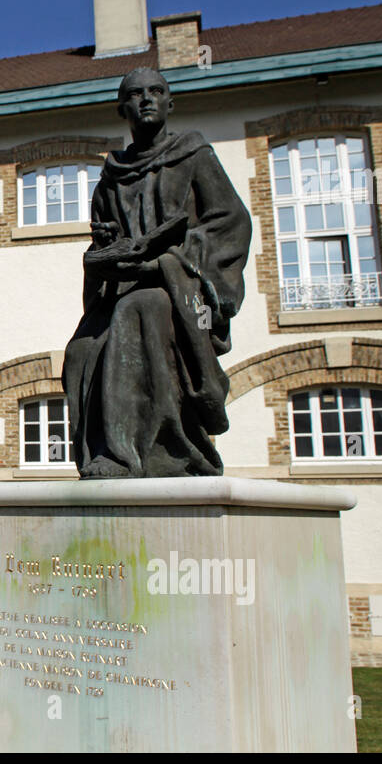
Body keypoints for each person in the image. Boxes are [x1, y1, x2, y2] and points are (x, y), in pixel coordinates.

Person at [61, 68, 252, 478]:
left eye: (156, 92)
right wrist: (105, 253)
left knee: (141, 309)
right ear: (122, 108)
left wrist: (169, 261)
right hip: (123, 284)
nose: (146, 99)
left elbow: (229, 222)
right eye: (135, 94)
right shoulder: (110, 178)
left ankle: (143, 452)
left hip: (178, 287)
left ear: (170, 102)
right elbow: (101, 244)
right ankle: (99, 451)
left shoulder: (195, 155)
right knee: (81, 348)